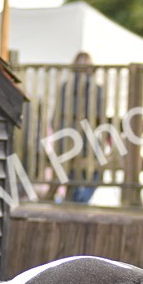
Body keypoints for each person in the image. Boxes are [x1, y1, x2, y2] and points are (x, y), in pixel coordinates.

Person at [52, 51, 105, 203]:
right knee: (99, 170)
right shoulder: (97, 90)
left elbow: (53, 120)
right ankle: (80, 199)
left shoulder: (65, 88)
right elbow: (101, 121)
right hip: (89, 145)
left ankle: (75, 198)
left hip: (66, 142)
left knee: (74, 171)